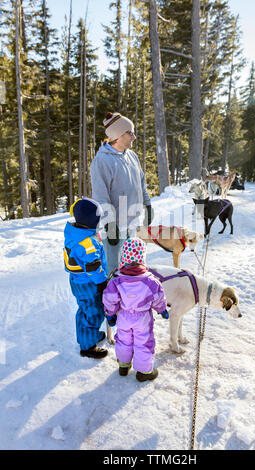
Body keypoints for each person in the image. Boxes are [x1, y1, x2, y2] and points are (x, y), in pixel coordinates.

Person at [90, 112, 153, 275]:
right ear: (118, 136)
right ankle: (112, 300)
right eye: (130, 133)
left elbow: (140, 184)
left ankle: (133, 299)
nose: (134, 137)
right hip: (114, 228)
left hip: (132, 224)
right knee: (115, 271)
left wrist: (147, 204)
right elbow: (100, 196)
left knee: (134, 268)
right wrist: (110, 224)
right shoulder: (102, 161)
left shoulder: (132, 156)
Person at [102, 238, 169, 382]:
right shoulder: (150, 282)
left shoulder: (116, 281)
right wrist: (162, 309)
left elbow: (109, 299)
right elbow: (158, 297)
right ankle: (144, 372)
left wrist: (110, 314)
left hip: (123, 317)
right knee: (143, 342)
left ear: (123, 257)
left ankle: (124, 365)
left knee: (124, 340)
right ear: (142, 257)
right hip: (142, 318)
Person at [63, 197, 109, 359]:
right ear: (91, 221)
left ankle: (89, 335)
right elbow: (94, 268)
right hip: (88, 283)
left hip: (78, 280)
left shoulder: (75, 232)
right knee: (93, 311)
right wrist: (103, 283)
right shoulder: (87, 243)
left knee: (85, 309)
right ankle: (88, 346)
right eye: (98, 219)